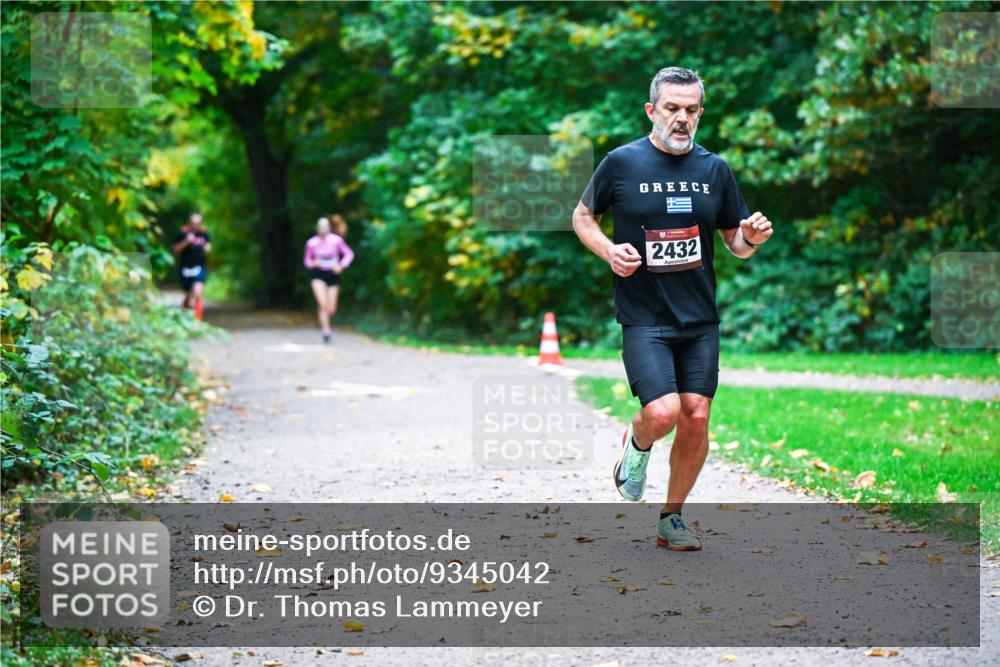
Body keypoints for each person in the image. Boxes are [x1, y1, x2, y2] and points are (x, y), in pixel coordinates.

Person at [572, 67, 773, 551]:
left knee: (697, 414)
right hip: (645, 316)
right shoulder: (621, 164)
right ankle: (635, 444)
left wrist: (751, 237)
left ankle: (672, 517)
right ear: (652, 111)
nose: (681, 118)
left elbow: (733, 243)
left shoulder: (714, 170)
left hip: (699, 318)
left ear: (699, 113)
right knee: (662, 413)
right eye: (672, 109)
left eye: (690, 110)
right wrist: (608, 251)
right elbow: (583, 216)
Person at [303, 214, 354, 343]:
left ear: (329, 227)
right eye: (320, 226)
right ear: (317, 228)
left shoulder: (336, 241)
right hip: (318, 274)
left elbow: (349, 254)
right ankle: (326, 331)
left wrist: (341, 265)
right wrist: (313, 263)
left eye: (325, 226)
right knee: (323, 304)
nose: (323, 228)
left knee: (331, 308)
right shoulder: (311, 243)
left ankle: (327, 324)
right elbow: (307, 261)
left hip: (333, 274)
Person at [171, 212, 211, 320]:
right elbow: (175, 250)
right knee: (188, 294)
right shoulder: (182, 233)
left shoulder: (204, 233)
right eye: (193, 223)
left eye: (198, 223)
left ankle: (197, 319)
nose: (196, 226)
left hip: (199, 266)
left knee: (198, 292)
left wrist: (207, 247)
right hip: (185, 267)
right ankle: (186, 313)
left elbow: (208, 246)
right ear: (189, 223)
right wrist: (186, 241)